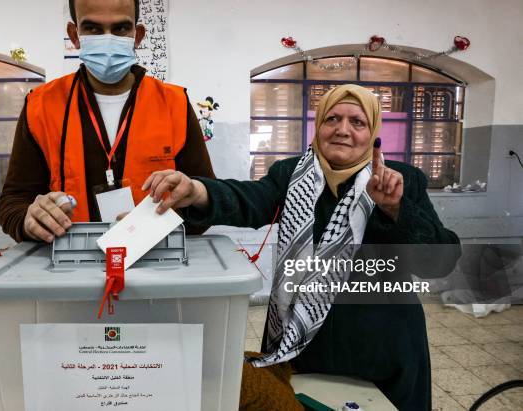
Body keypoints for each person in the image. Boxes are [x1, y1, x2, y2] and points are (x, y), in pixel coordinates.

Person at [142, 84, 461, 410]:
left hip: (384, 349)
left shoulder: (402, 180)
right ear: (317, 126)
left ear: (373, 132)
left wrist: (396, 208)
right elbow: (248, 200)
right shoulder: (291, 174)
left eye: (357, 122)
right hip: (306, 348)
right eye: (332, 119)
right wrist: (196, 190)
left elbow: (439, 261)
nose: (342, 130)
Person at [0, 0, 215, 243]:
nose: (107, 40)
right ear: (74, 35)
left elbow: (206, 202)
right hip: (70, 268)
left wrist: (152, 226)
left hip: (155, 266)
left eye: (121, 28)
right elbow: (12, 205)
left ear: (138, 35)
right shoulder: (41, 106)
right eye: (93, 29)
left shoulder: (174, 104)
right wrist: (29, 219)